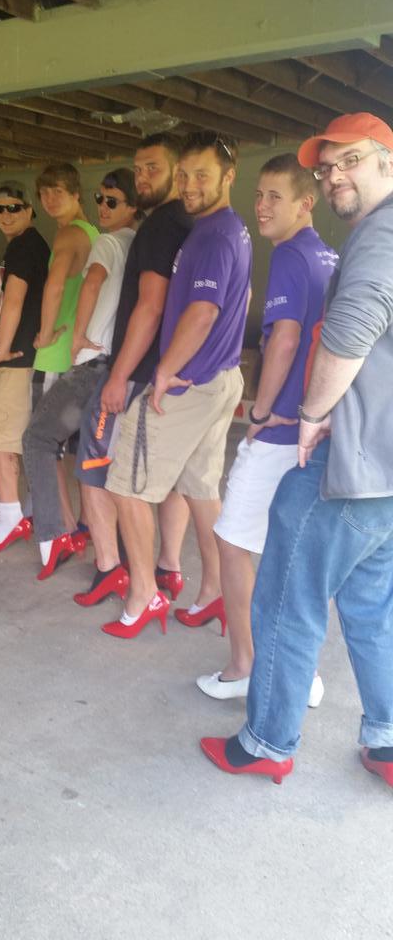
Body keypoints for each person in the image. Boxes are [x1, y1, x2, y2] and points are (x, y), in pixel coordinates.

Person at [201, 112, 393, 790]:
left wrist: (311, 413)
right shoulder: (363, 238)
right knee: (371, 606)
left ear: (386, 164)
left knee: (285, 597)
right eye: (327, 165)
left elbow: (354, 322)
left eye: (351, 161)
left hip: (353, 460)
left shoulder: (377, 237)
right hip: (386, 470)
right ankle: (387, 739)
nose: (336, 173)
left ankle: (266, 743)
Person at [195, 154, 337, 706]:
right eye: (259, 195)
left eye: (275, 196)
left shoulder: (290, 257)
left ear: (307, 203)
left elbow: (282, 339)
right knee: (296, 553)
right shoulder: (330, 254)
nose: (262, 206)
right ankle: (301, 671)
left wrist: (259, 412)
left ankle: (244, 666)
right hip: (317, 426)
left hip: (281, 432)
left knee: (232, 542)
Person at [104, 132, 252, 639]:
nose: (189, 185)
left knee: (125, 485)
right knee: (199, 488)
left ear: (228, 177)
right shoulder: (228, 228)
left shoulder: (210, 235)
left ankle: (144, 594)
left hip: (189, 383)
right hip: (221, 378)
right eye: (184, 175)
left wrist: (164, 372)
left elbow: (203, 310)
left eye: (202, 175)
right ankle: (215, 594)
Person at [73, 133, 193, 609]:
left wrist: (118, 375)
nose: (142, 176)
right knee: (170, 477)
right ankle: (169, 568)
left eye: (152, 168)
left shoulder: (160, 226)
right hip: (168, 370)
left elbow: (149, 305)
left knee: (94, 464)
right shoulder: (195, 224)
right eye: (138, 168)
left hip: (136, 369)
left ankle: (110, 569)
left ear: (176, 171)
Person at [22, 168, 139, 581]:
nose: (103, 207)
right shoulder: (137, 243)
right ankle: (114, 551)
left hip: (92, 362)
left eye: (113, 201)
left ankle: (54, 535)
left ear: (132, 206)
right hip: (122, 367)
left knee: (38, 437)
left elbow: (85, 284)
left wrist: (75, 336)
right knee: (98, 458)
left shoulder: (104, 242)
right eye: (101, 199)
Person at [27, 162, 99, 577]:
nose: (50, 199)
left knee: (43, 445)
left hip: (56, 356)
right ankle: (84, 527)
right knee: (79, 451)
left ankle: (59, 532)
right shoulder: (96, 236)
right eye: (44, 193)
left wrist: (44, 331)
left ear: (76, 193)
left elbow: (55, 285)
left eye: (58, 191)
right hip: (84, 357)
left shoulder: (69, 234)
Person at [0, 181, 50, 554]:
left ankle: (10, 518)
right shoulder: (29, 246)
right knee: (10, 439)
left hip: (14, 359)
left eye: (14, 208)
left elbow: (14, 300)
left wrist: (0, 350)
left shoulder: (23, 247)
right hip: (25, 359)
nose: (6, 215)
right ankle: (22, 515)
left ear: (29, 209)